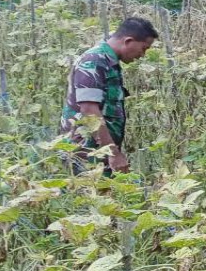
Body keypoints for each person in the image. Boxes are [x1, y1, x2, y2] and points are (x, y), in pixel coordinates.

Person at [59, 17, 158, 174]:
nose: (142, 55)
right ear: (128, 41)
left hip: (98, 150)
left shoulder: (108, 62)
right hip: (86, 152)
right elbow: (89, 110)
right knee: (86, 196)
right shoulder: (95, 61)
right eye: (144, 48)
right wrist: (112, 153)